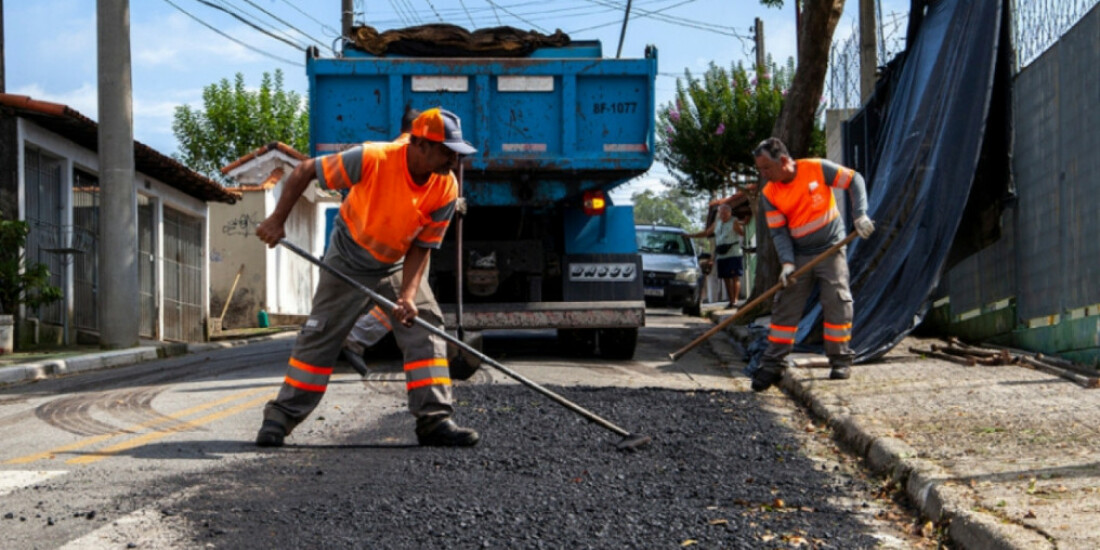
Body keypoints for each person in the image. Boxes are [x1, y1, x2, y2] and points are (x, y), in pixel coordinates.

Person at [254, 107, 480, 447]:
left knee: (424, 323)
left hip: (396, 260)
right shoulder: (374, 157)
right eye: (446, 151)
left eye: (456, 153)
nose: (453, 160)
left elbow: (423, 246)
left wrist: (407, 295)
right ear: (419, 144)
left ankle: (434, 419)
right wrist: (277, 220)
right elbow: (303, 171)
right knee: (322, 335)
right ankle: (281, 417)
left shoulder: (446, 187)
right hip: (348, 256)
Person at [750, 137, 875, 392]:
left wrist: (859, 214)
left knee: (837, 301)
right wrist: (787, 264)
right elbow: (779, 233)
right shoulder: (769, 194)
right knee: (785, 307)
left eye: (766, 168)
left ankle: (840, 360)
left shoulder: (816, 168)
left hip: (831, 248)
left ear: (784, 161)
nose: (763, 174)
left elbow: (854, 180)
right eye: (759, 169)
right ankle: (772, 364)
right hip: (799, 255)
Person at [338, 106, 421, 377]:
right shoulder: (412, 153)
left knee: (400, 297)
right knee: (409, 295)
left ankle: (349, 336)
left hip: (368, 234)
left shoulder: (379, 151)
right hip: (396, 238)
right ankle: (354, 336)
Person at [687, 203, 745, 308]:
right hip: (722, 254)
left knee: (735, 277)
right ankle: (731, 300)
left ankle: (735, 300)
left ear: (729, 213)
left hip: (733, 253)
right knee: (725, 278)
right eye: (720, 213)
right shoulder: (717, 223)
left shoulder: (734, 221)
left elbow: (742, 233)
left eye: (724, 213)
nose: (722, 215)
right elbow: (707, 233)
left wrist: (743, 224)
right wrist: (691, 235)